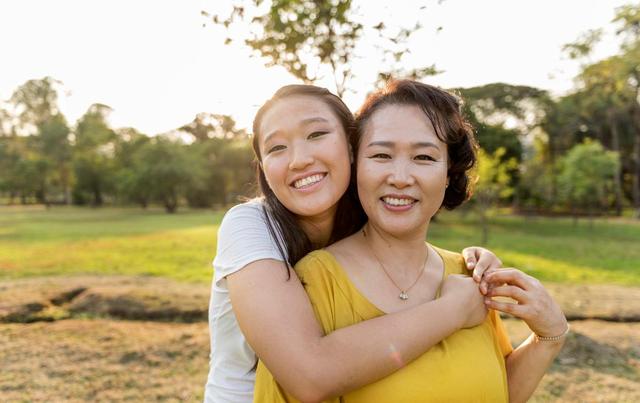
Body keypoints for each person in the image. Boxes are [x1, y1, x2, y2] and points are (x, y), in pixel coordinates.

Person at [253, 80, 568, 402]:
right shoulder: (316, 282)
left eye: (424, 158)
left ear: (448, 173)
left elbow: (496, 392)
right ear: (354, 163)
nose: (401, 178)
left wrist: (549, 336)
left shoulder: (470, 275)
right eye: (381, 155)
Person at [204, 84, 505, 402]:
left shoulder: (370, 211)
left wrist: (470, 260)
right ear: (263, 166)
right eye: (276, 148)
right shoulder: (251, 225)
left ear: (351, 146)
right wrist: (455, 308)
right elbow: (310, 375)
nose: (299, 160)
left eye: (316, 134)